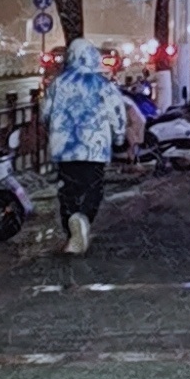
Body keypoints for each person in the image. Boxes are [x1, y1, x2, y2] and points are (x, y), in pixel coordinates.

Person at [44, 38, 130, 255]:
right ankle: (83, 218)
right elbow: (117, 112)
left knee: (68, 190)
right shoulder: (102, 84)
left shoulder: (58, 83)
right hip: (95, 147)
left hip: (65, 148)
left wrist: (53, 132)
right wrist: (119, 137)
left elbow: (45, 114)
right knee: (93, 188)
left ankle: (71, 223)